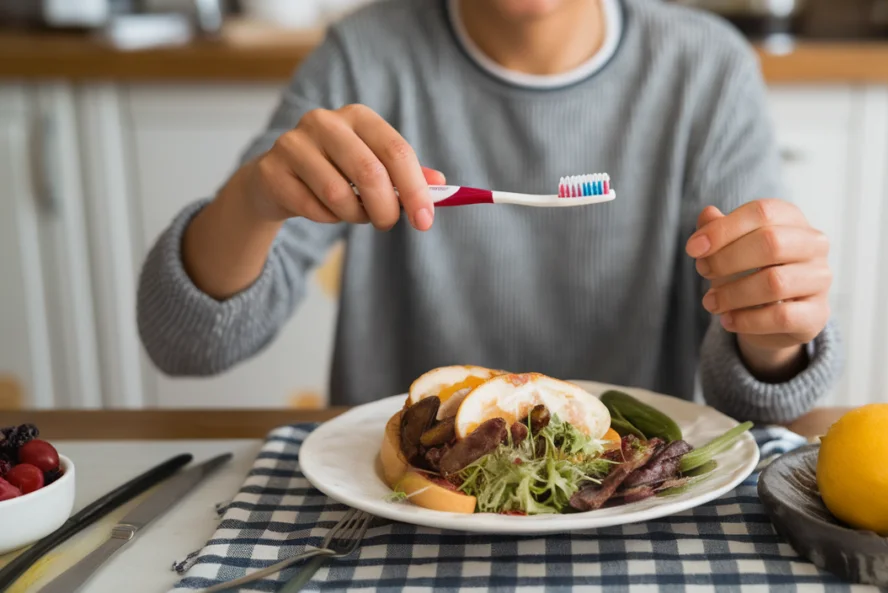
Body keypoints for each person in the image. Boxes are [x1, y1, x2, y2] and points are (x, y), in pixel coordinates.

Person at [136, 0, 841, 424]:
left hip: (625, 504)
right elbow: (188, 343)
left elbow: (760, 401)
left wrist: (774, 330)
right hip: (399, 516)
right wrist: (255, 201)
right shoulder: (365, 58)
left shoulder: (706, 72)